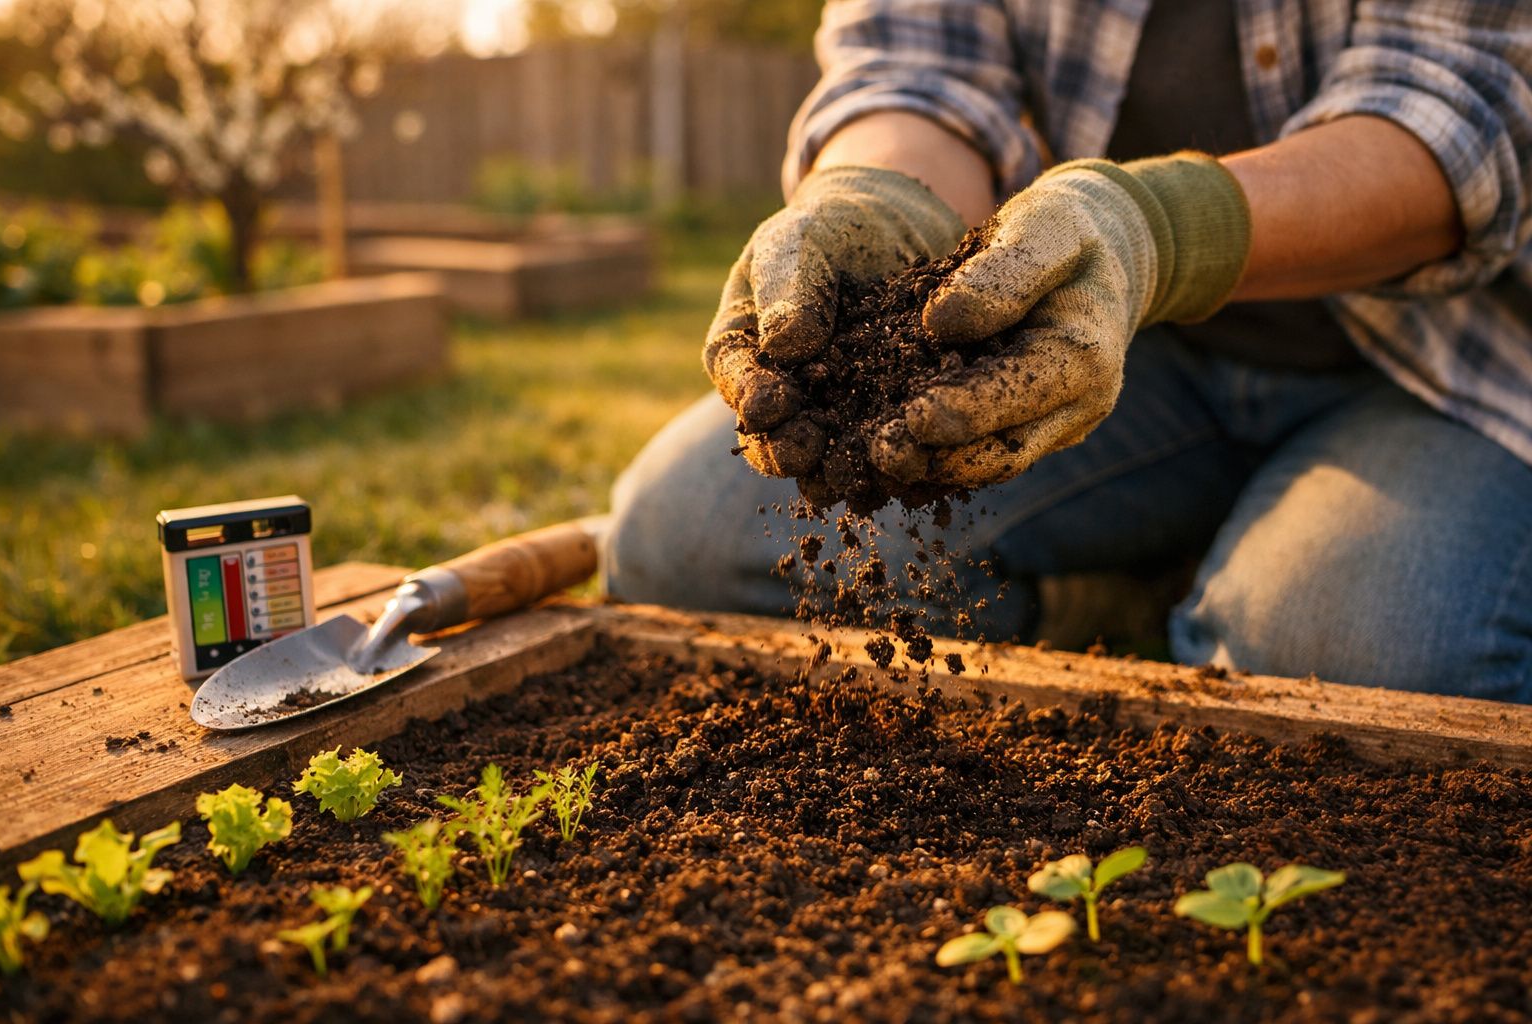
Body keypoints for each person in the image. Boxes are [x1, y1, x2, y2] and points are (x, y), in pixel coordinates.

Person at [604, 0, 1532, 703]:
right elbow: (916, 71)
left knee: (1349, 657)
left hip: (1442, 364)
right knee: (690, 537)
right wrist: (880, 198)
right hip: (1097, 337)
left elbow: (1464, 110)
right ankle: (1095, 610)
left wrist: (1158, 232)